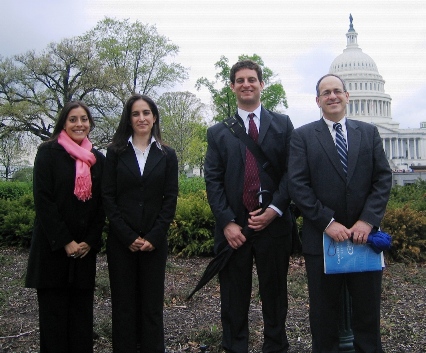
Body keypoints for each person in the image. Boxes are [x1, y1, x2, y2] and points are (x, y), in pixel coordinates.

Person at [288, 74, 392, 353]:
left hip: (364, 241)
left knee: (367, 315)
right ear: (318, 100)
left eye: (337, 91)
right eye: (326, 93)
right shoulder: (302, 136)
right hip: (322, 242)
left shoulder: (368, 133)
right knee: (324, 317)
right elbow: (298, 185)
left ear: (347, 96)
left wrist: (367, 221)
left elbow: (382, 180)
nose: (332, 96)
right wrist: (327, 222)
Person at [204, 60, 294, 353]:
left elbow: (293, 174)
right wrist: (227, 222)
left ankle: (276, 346)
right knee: (233, 296)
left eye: (252, 79)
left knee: (275, 293)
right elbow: (213, 181)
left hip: (274, 223)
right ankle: (235, 347)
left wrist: (274, 210)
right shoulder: (218, 132)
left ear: (261, 84)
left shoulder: (283, 125)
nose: (246, 84)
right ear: (232, 87)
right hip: (235, 227)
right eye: (240, 80)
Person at [25, 101, 105, 353]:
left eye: (84, 119)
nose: (79, 124)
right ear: (63, 123)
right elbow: (43, 200)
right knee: (54, 325)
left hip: (83, 253)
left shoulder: (97, 159)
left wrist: (90, 241)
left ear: (90, 123)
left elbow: (102, 203)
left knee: (81, 326)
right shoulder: (48, 153)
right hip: (53, 251)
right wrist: (65, 241)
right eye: (73, 119)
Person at [102, 94, 178, 353]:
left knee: (152, 307)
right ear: (129, 119)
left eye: (146, 113)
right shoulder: (115, 153)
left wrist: (155, 236)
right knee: (123, 306)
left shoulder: (167, 154)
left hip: (154, 243)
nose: (142, 118)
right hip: (122, 242)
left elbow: (170, 199)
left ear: (154, 117)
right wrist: (127, 235)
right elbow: (108, 197)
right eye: (136, 113)